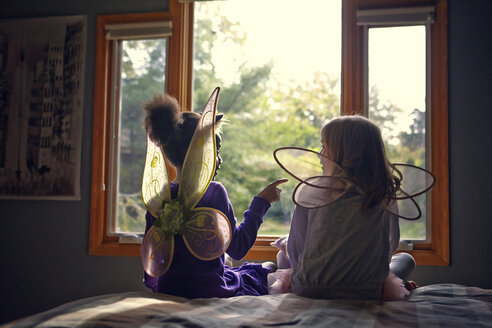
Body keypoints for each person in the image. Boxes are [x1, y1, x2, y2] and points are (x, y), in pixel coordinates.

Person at [141, 93, 287, 298]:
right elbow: (238, 249)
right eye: (215, 151)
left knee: (232, 268)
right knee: (266, 268)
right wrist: (261, 202)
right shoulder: (214, 192)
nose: (219, 160)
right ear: (199, 153)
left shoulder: (157, 198)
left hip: (169, 289)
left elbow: (153, 262)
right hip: (209, 290)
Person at [278, 115, 419, 301]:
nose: (320, 154)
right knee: (406, 260)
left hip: (309, 288)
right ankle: (399, 284)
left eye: (324, 147)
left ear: (341, 154)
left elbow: (297, 250)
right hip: (366, 290)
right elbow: (389, 245)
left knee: (283, 255)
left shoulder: (310, 192)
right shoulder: (383, 194)